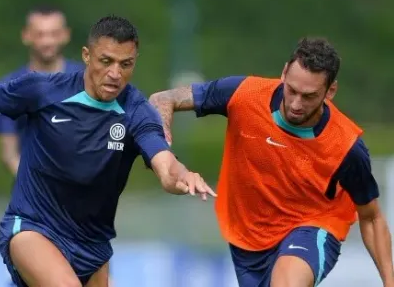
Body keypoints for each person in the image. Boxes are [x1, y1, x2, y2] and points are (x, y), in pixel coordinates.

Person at [0, 15, 216, 287]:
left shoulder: (136, 111)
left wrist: (182, 175)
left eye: (126, 64)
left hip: (92, 245)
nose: (115, 73)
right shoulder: (45, 89)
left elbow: (165, 166)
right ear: (87, 56)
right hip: (32, 227)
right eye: (106, 61)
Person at [149, 37, 394, 287]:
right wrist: (163, 153)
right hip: (248, 238)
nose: (296, 104)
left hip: (313, 224)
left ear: (330, 91)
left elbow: (371, 217)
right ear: (284, 73)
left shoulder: (346, 146)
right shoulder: (243, 94)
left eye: (309, 96)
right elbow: (162, 99)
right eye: (292, 90)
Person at [0, 6, 84, 176]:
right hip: (33, 193)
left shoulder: (87, 81)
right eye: (40, 34)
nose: (47, 41)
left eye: (54, 34)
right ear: (26, 35)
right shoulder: (9, 87)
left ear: (65, 35)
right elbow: (9, 154)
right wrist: (39, 187)